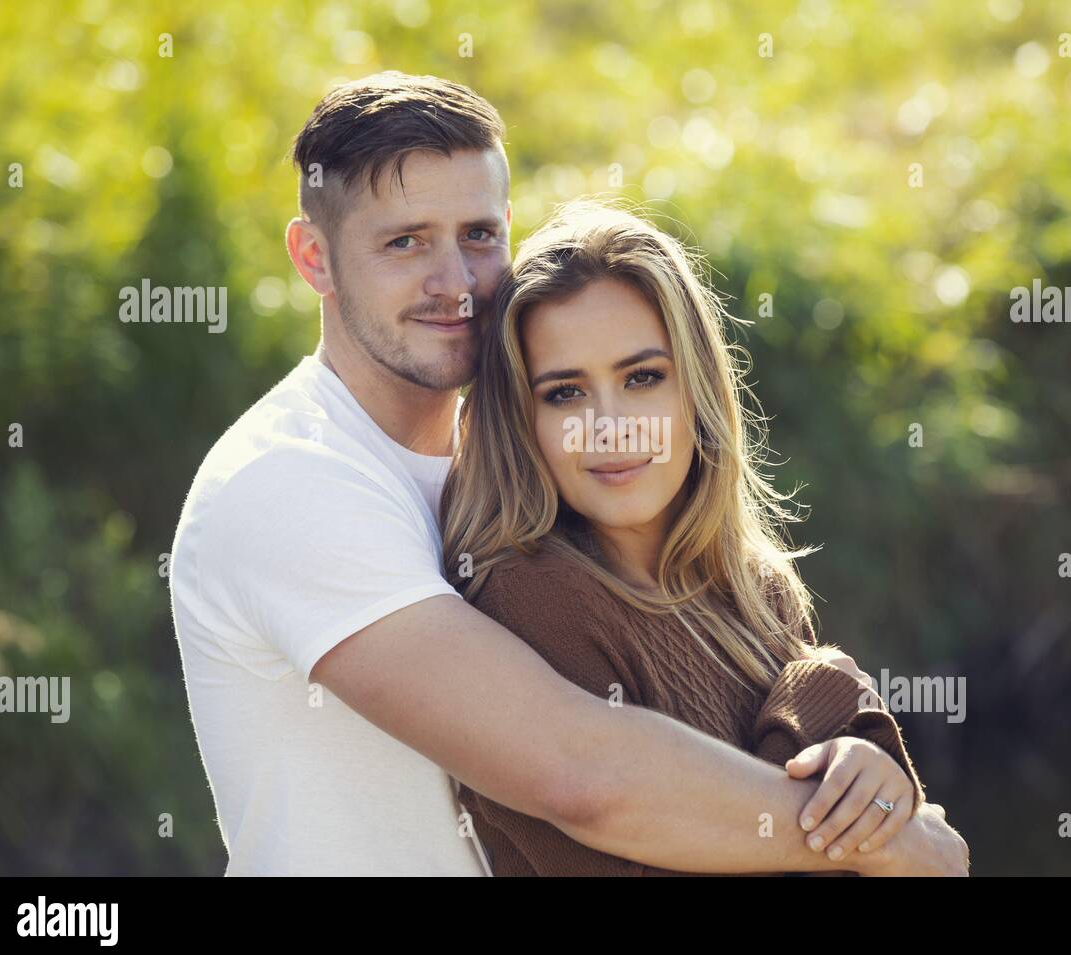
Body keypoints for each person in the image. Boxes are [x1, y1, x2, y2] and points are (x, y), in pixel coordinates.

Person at [168, 70, 969, 876]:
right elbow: (581, 775)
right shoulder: (286, 482)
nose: (455, 284)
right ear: (315, 257)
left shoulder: (528, 467)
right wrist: (892, 844)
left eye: (477, 235)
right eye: (405, 242)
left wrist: (844, 728)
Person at [441, 200, 926, 875]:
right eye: (564, 393)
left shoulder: (756, 589)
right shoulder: (531, 598)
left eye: (642, 378)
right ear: (524, 421)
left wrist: (867, 770)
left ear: (696, 390)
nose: (611, 427)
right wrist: (822, 692)